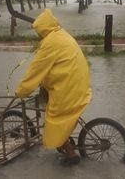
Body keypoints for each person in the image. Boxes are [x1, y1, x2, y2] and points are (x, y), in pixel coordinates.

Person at [16, 8, 92, 165]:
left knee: (54, 119)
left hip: (69, 88)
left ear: (43, 29)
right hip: (79, 84)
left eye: (39, 31)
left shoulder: (50, 43)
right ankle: (65, 139)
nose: (38, 35)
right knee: (50, 99)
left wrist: (22, 91)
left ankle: (71, 155)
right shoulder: (62, 34)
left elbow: (36, 70)